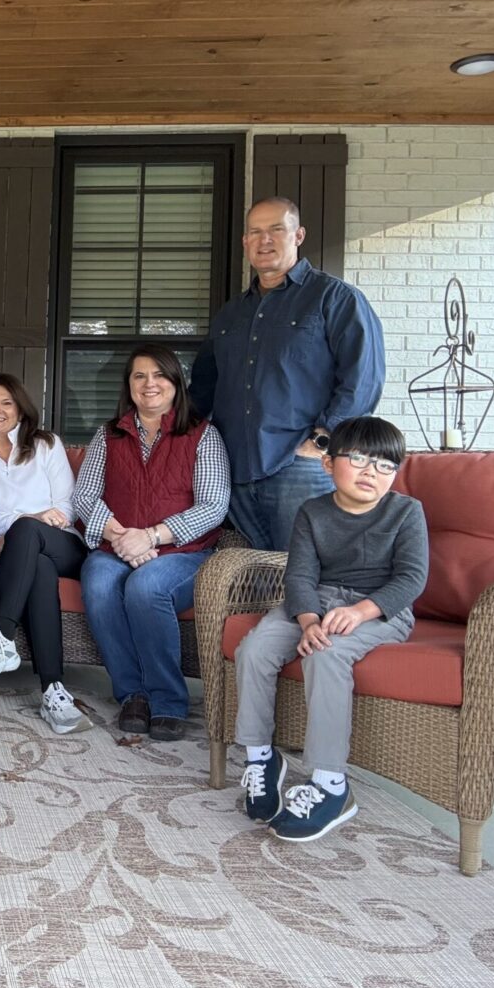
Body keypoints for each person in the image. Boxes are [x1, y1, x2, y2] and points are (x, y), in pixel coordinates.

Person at [235, 416, 428, 842]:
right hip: (315, 602)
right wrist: (307, 620)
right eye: (358, 459)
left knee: (326, 654)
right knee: (256, 649)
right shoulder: (313, 511)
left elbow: (412, 579)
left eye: (383, 465)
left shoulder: (406, 512)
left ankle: (330, 784)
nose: (370, 472)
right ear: (328, 465)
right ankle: (260, 758)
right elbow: (300, 575)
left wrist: (360, 611)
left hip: (381, 610)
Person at [189, 196, 386, 552]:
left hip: (300, 468)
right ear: (246, 242)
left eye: (276, 230)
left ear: (298, 235)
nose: (265, 240)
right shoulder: (232, 313)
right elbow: (203, 389)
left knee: (307, 578)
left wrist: (321, 442)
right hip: (235, 475)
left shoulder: (334, 299)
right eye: (255, 232)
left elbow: (363, 378)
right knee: (262, 581)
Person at [73, 344, 230, 742]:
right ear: (129, 385)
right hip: (117, 545)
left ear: (176, 383)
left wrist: (153, 536)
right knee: (98, 582)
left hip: (184, 552)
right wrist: (119, 535)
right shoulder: (109, 435)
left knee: (146, 587)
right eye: (140, 376)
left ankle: (168, 701)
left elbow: (213, 505)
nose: (150, 384)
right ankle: (133, 695)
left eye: (159, 375)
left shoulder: (203, 435)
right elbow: (84, 496)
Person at [0, 373, 90, 734]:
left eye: (6, 402)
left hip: (62, 541)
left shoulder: (46, 444)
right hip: (15, 549)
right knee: (39, 569)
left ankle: (1, 635)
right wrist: (16, 528)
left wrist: (21, 526)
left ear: (20, 408)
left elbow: (68, 505)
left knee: (30, 533)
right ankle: (53, 690)